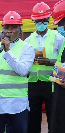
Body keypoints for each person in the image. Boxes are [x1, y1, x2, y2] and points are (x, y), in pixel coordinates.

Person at [24, 2, 65, 133]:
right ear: (33, 21)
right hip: (33, 84)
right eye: (38, 21)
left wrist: (50, 62)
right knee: (33, 118)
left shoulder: (58, 37)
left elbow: (62, 60)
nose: (41, 23)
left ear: (48, 20)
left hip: (51, 84)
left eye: (44, 20)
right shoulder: (28, 40)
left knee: (53, 115)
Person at [50, 1, 65, 133]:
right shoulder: (64, 41)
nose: (61, 28)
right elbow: (61, 63)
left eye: (62, 24)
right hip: (59, 92)